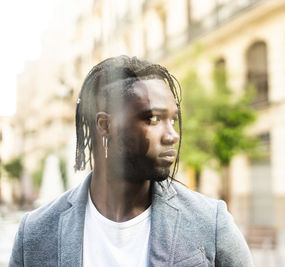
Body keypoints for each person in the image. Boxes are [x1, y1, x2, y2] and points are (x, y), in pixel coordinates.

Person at [9, 56, 253, 266]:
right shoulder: (35, 233)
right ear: (105, 125)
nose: (172, 135)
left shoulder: (211, 222)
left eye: (173, 119)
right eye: (153, 119)